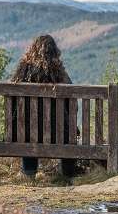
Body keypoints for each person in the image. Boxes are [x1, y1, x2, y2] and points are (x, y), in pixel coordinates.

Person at [10, 35, 76, 178]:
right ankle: (67, 176)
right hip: (57, 134)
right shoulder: (60, 75)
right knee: (68, 132)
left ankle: (29, 173)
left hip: (24, 133)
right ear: (55, 52)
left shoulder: (22, 74)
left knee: (28, 129)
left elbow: (12, 103)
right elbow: (72, 105)